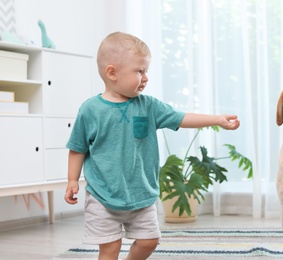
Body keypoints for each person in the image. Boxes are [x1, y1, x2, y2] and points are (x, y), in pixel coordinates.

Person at [64, 31, 240, 260]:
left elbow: (181, 117)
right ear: (112, 72)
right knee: (109, 248)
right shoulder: (90, 110)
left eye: (146, 71)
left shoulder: (149, 106)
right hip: (102, 196)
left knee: (149, 241)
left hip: (141, 193)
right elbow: (77, 148)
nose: (146, 77)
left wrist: (216, 120)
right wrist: (71, 180)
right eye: (140, 71)